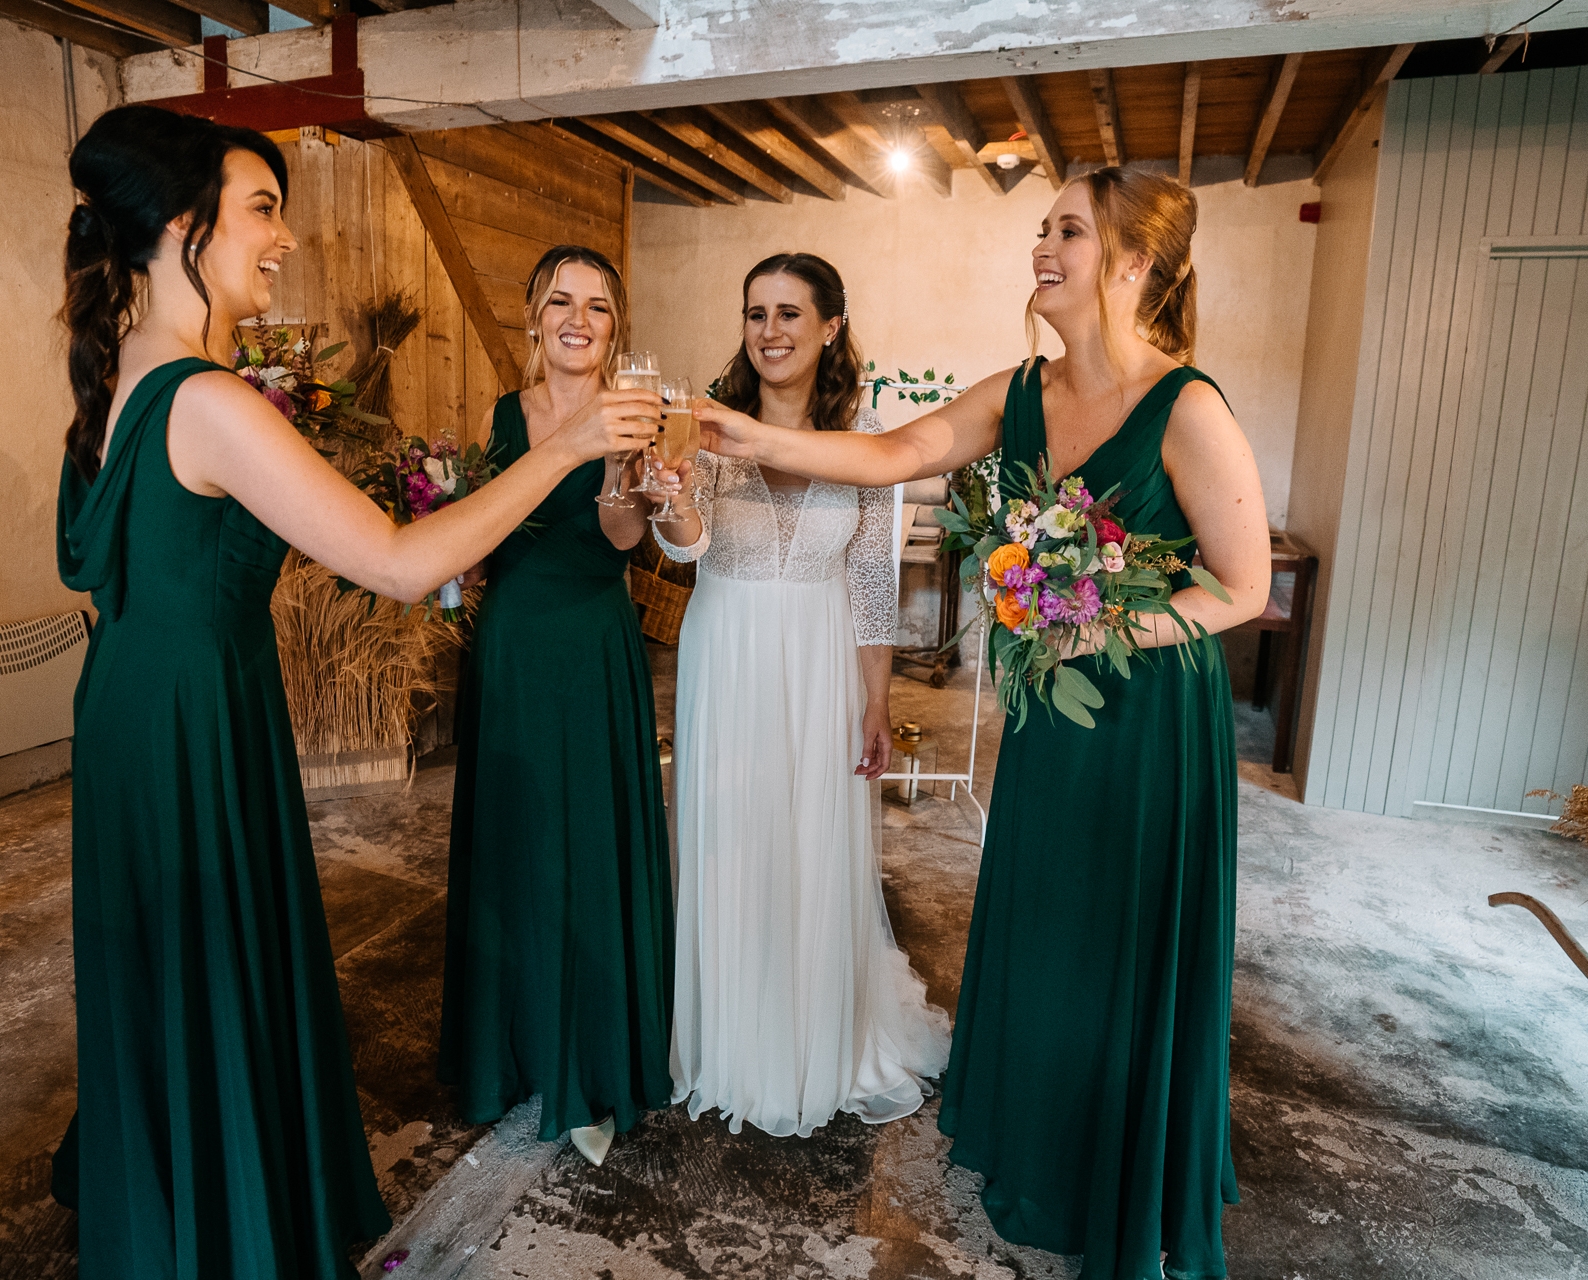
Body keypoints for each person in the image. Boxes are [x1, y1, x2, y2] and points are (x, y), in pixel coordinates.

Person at [51, 107, 656, 1279]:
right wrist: (568, 450)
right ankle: (215, 1224)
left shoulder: (116, 378)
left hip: (133, 701)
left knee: (169, 964)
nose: (285, 239)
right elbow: (396, 560)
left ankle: (178, 1171)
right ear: (185, 226)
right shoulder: (207, 400)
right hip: (191, 719)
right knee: (207, 948)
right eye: (264, 209)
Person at [695, 171, 1270, 1279]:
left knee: (1119, 933)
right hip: (1055, 715)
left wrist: (1096, 622)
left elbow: (1239, 589)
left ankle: (1119, 1163)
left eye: (1068, 230)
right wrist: (737, 434)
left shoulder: (1187, 406)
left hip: (1149, 720)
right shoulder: (1018, 392)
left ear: (1134, 263)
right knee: (1047, 915)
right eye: (1043, 227)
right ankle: (1034, 1133)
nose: (1042, 244)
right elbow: (893, 456)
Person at [649, 253, 953, 1139]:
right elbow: (687, 544)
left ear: (830, 326)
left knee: (810, 839)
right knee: (731, 837)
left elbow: (869, 583)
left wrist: (873, 702)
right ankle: (731, 1042)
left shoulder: (872, 439)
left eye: (789, 312)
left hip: (820, 655)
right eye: (755, 313)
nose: (770, 330)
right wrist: (670, 497)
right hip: (728, 649)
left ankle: (815, 1040)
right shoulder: (704, 423)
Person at [439, 245, 673, 1166]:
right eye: (563, 302)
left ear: (616, 328)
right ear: (534, 316)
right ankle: (511, 1050)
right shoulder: (503, 415)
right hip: (510, 650)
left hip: (589, 648)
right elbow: (486, 536)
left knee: (585, 846)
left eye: (601, 307)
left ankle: (585, 1066)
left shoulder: (633, 418)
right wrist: (455, 560)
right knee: (514, 843)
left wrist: (626, 467)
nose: (580, 318)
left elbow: (619, 538)